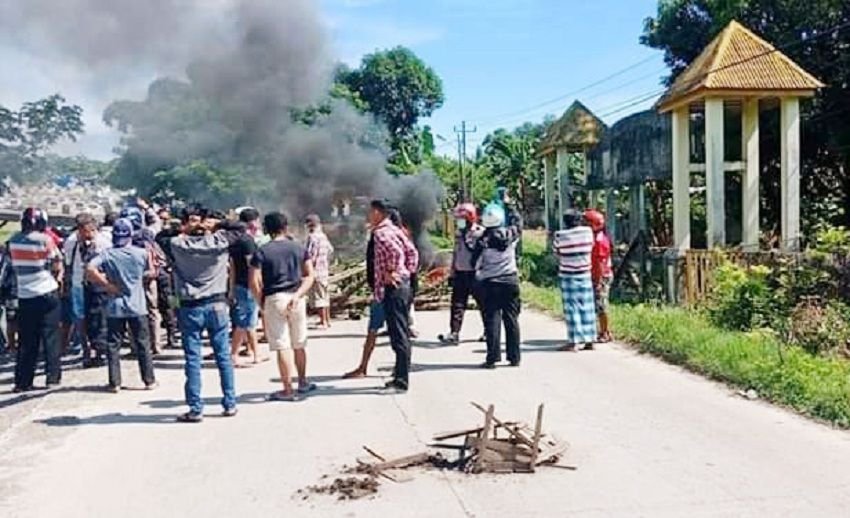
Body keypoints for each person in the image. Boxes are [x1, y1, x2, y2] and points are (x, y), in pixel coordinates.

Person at [170, 206, 237, 422]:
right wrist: (218, 224)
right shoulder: (221, 242)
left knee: (193, 358)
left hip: (190, 305)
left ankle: (195, 407)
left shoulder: (177, 244)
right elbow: (240, 229)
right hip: (217, 303)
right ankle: (229, 403)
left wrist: (187, 226)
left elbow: (161, 235)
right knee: (223, 356)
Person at [250, 212, 316, 402]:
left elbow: (253, 281)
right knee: (299, 343)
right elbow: (310, 275)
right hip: (297, 298)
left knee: (282, 345)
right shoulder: (299, 248)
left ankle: (287, 389)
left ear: (266, 229)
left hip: (274, 298)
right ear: (285, 227)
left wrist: (260, 302)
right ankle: (302, 382)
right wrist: (298, 295)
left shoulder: (262, 251)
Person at [86, 218, 157, 392]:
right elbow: (151, 272)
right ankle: (149, 380)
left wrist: (107, 285)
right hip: (137, 305)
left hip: (115, 306)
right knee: (143, 344)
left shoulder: (107, 254)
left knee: (113, 345)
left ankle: (115, 382)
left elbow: (89, 269)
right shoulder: (141, 253)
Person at [9, 208, 64, 392]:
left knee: (26, 341)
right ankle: (52, 378)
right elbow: (56, 262)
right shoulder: (45, 239)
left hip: (25, 294)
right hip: (46, 291)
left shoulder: (13, 240)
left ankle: (23, 381)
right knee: (51, 336)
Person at [368, 200, 418, 392]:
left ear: (378, 212)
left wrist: (393, 272)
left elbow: (396, 253)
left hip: (394, 288)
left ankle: (401, 381)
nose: (369, 216)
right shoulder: (396, 230)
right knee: (401, 332)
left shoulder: (381, 233)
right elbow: (412, 253)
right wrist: (407, 273)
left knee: (398, 335)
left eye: (371, 212)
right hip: (402, 286)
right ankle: (399, 374)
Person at [473, 202, 521, 369]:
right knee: (511, 319)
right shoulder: (511, 235)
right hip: (510, 281)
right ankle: (514, 357)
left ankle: (492, 358)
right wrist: (511, 206)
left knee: (492, 320)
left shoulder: (482, 241)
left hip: (490, 283)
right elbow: (518, 223)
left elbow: (474, 263)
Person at [438, 203, 485, 346]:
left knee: (483, 304)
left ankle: (489, 331)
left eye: (462, 218)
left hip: (476, 274)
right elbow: (456, 252)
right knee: (457, 304)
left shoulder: (480, 233)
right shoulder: (459, 233)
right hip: (460, 273)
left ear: (470, 218)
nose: (459, 221)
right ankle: (454, 333)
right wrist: (452, 269)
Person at [553, 210, 598, 351]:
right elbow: (592, 247)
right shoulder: (588, 232)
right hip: (585, 273)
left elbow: (557, 252)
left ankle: (574, 341)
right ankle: (590, 339)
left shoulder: (560, 235)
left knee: (572, 308)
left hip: (568, 275)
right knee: (587, 306)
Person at [343, 226, 383, 379]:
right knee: (395, 332)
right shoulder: (388, 235)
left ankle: (363, 368)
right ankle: (400, 370)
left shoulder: (383, 236)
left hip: (384, 293)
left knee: (375, 330)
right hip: (382, 291)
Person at [228, 208, 263, 366]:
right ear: (253, 222)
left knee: (249, 322)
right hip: (248, 286)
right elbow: (252, 267)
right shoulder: (248, 242)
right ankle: (235, 354)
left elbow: (233, 267)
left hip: (239, 284)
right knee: (246, 322)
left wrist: (231, 288)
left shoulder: (235, 240)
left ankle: (255, 353)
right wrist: (258, 285)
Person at [61, 213, 97, 356]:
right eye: (84, 231)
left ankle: (96, 347)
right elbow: (68, 264)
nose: (87, 234)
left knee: (96, 316)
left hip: (97, 283)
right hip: (79, 284)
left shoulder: (101, 240)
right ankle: (86, 348)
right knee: (80, 317)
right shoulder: (71, 242)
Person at [585, 209, 614, 343]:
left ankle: (605, 332)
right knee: (597, 304)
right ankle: (601, 330)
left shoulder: (599, 241)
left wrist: (598, 280)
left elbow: (600, 264)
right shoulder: (596, 237)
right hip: (597, 274)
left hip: (601, 275)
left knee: (601, 304)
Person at [304, 214, 334, 330]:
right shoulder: (323, 236)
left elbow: (310, 255)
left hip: (316, 271)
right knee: (325, 296)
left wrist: (307, 269)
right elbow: (330, 250)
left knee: (318, 298)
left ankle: (323, 321)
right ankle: (328, 320)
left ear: (310, 225)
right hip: (324, 271)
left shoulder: (312, 237)